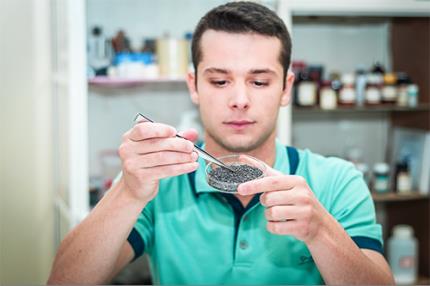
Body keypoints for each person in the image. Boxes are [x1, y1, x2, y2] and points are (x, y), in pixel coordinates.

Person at [48, 1, 394, 284]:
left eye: (259, 82)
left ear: (286, 88)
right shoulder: (159, 187)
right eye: (219, 81)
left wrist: (320, 232)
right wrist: (128, 192)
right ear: (193, 85)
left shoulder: (336, 181)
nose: (240, 100)